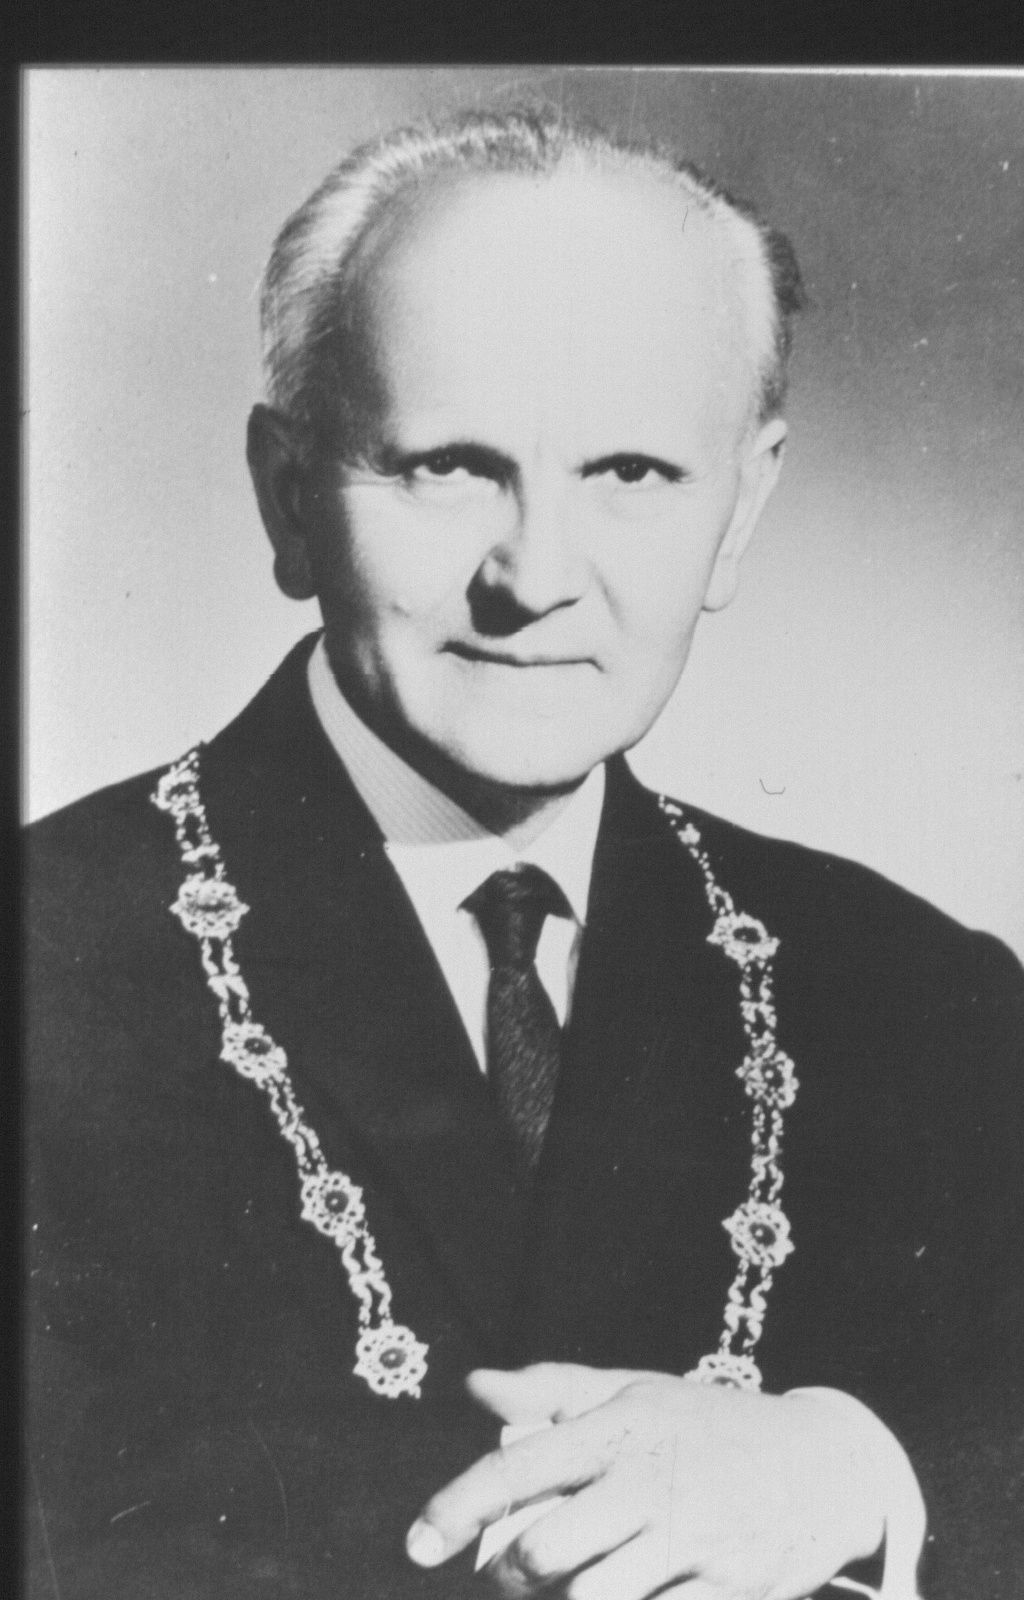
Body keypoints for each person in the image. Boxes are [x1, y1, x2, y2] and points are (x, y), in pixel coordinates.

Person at [26, 106, 1024, 1600]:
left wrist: (867, 1472)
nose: (536, 578)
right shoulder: (44, 968)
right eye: (445, 466)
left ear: (740, 509)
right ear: (289, 494)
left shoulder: (926, 999)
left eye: (633, 474)